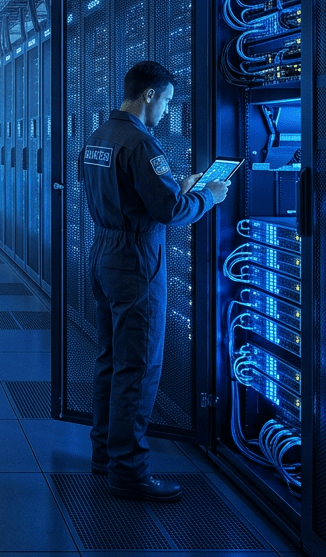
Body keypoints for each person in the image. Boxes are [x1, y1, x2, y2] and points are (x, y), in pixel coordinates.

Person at [80, 60, 229, 502]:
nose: (167, 110)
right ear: (149, 95)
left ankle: (105, 455)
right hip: (136, 262)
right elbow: (170, 212)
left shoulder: (98, 137)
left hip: (104, 254)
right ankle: (130, 471)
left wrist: (175, 189)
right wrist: (206, 196)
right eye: (166, 100)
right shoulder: (143, 145)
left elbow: (132, 196)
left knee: (111, 359)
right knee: (139, 367)